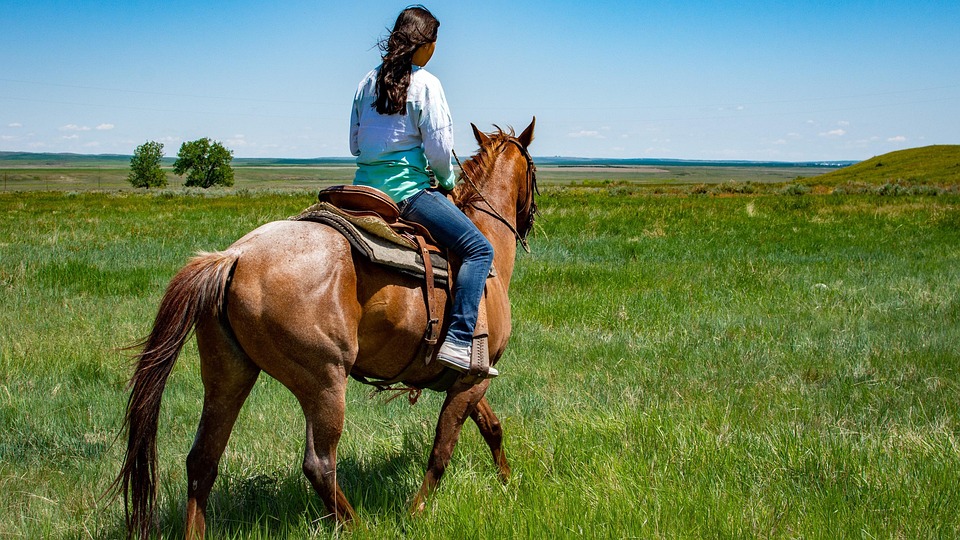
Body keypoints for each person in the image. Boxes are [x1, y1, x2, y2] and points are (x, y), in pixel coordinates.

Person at [350, 5, 498, 378]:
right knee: (480, 249)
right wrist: (448, 182)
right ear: (426, 45)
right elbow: (437, 150)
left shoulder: (365, 82)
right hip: (406, 196)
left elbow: (354, 145)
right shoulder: (427, 84)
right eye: (435, 43)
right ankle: (460, 341)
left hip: (361, 192)